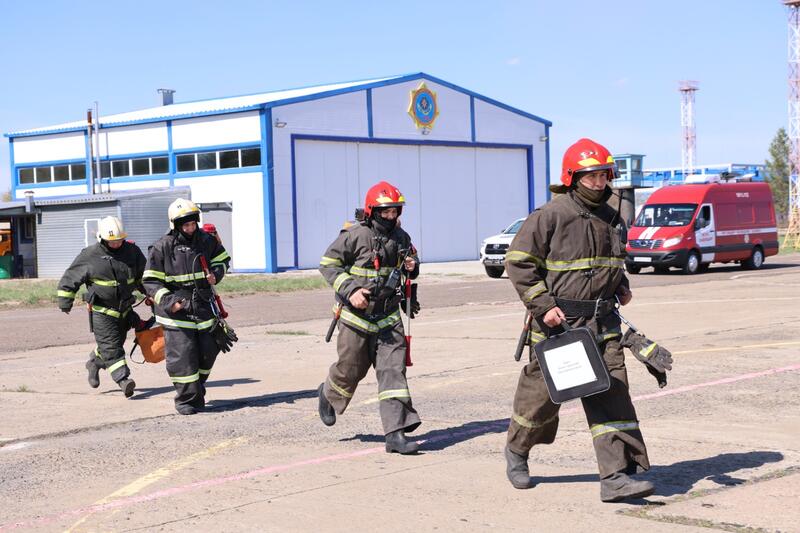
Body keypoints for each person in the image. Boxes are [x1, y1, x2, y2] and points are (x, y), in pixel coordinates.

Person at [503, 138, 656, 502]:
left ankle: (616, 475)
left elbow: (610, 262)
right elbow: (519, 262)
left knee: (613, 394)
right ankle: (517, 450)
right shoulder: (550, 215)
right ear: (572, 177)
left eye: (604, 175)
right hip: (560, 326)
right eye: (591, 176)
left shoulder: (612, 217)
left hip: (603, 324)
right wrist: (542, 305)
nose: (599, 182)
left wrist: (621, 285)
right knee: (541, 400)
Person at [317, 181, 421, 454]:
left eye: (394, 211)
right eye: (385, 212)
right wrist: (351, 291)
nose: (390, 216)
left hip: (388, 318)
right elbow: (328, 264)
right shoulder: (355, 235)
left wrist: (412, 267)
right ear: (372, 211)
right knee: (351, 369)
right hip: (356, 318)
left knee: (393, 372)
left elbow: (410, 267)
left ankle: (395, 434)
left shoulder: (402, 237)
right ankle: (328, 393)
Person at [143, 199, 231, 415]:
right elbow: (150, 281)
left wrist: (216, 274)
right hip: (176, 310)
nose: (191, 228)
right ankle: (186, 400)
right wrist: (170, 302)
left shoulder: (206, 240)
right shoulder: (162, 247)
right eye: (186, 225)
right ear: (175, 225)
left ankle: (196, 388)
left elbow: (222, 259)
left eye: (193, 224)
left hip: (203, 305)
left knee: (209, 349)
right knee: (183, 357)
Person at [57, 216, 147, 398]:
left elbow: (143, 276)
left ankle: (94, 363)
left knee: (113, 344)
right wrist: (65, 301)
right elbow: (70, 277)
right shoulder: (89, 255)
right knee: (112, 348)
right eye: (112, 241)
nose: (116, 244)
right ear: (102, 238)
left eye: (119, 240)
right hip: (102, 312)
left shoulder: (133, 252)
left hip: (125, 310)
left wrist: (151, 293)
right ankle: (123, 380)